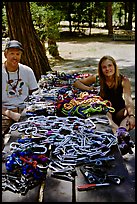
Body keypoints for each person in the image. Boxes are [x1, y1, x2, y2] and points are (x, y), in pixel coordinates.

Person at [73, 55, 135, 134]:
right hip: (105, 108)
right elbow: (76, 82)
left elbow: (128, 99)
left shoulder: (123, 80)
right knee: (107, 116)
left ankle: (122, 131)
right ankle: (118, 132)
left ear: (115, 66)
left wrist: (132, 116)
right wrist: (88, 88)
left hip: (119, 109)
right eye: (104, 67)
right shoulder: (97, 78)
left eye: (110, 66)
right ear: (101, 69)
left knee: (128, 114)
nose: (107, 69)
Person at [2, 40, 39, 122]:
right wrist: (10, 114)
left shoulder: (27, 70)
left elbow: (36, 93)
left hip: (25, 110)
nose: (15, 57)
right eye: (12, 53)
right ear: (5, 54)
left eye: (17, 54)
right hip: (5, 112)